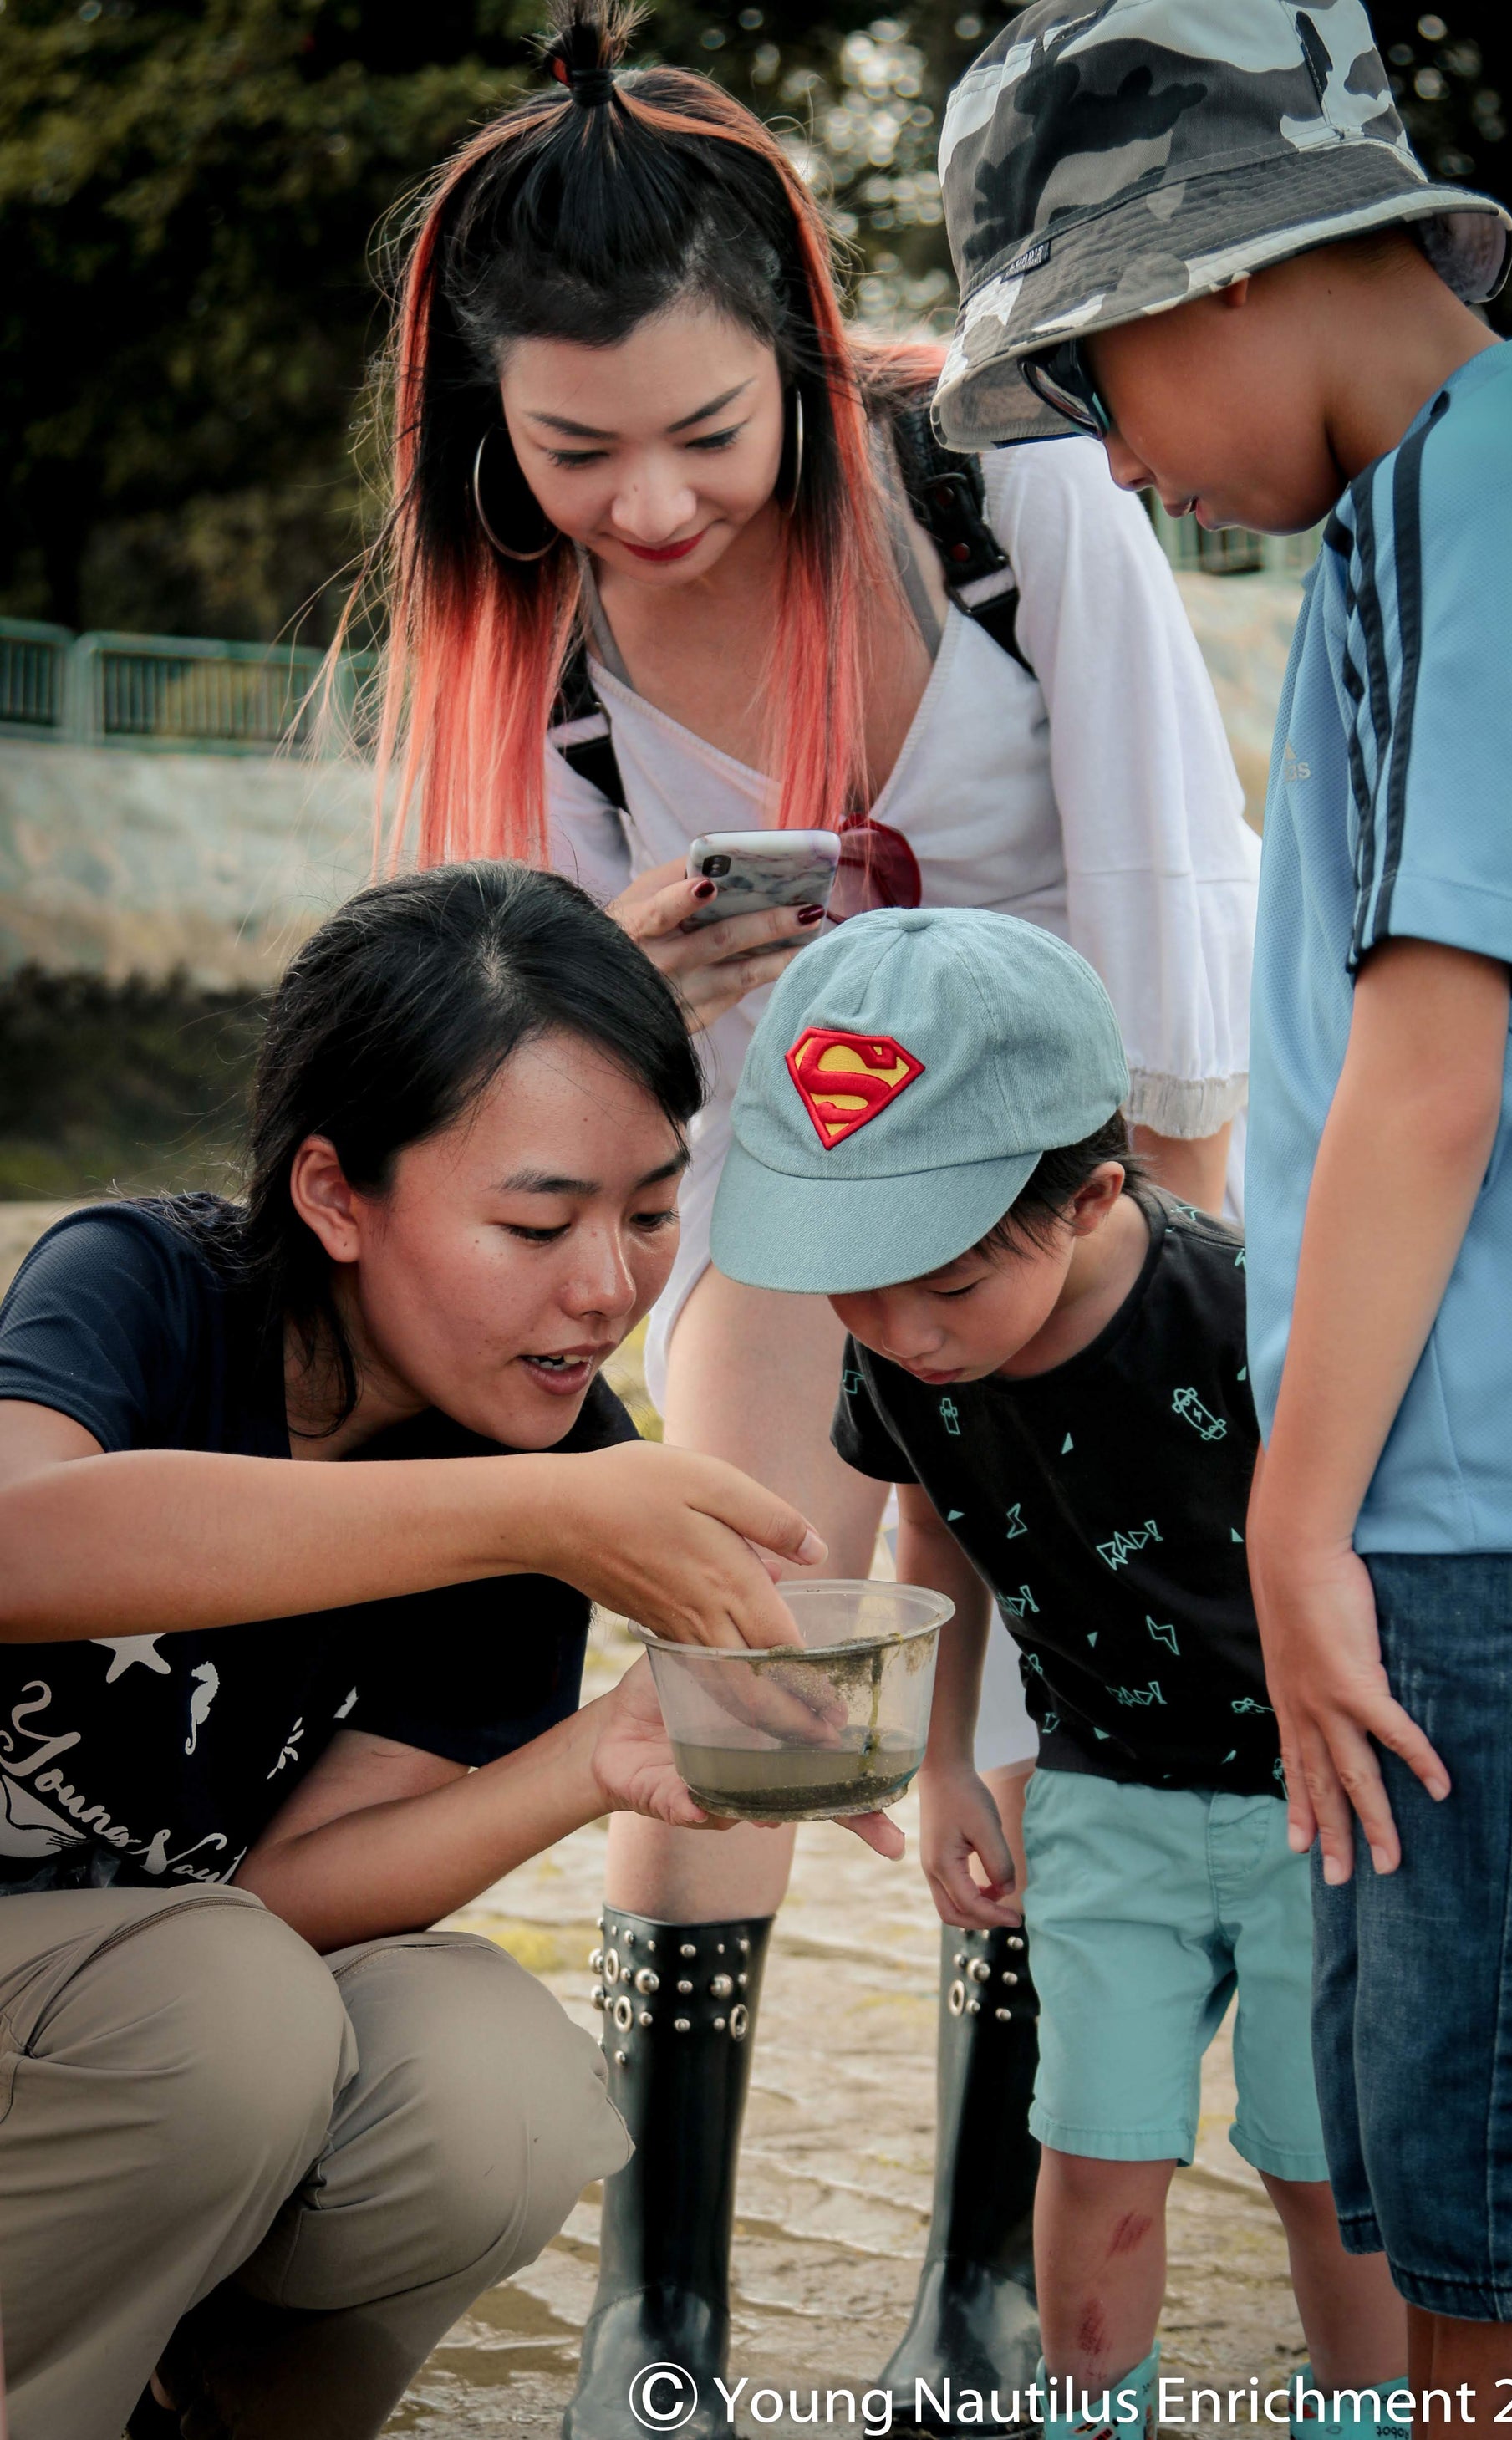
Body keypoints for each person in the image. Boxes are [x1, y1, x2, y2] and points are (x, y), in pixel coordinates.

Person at [354, 3, 1261, 2421]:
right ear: (491, 423)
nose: (647, 504)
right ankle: (661, 2310)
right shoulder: (528, 646)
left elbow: (1168, 853)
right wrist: (618, 981)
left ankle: (979, 2294)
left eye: (701, 435)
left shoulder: (994, 472)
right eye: (573, 450)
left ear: (794, 343)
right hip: (785, 1164)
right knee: (740, 1638)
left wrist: (1177, 1271)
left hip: (1077, 1174)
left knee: (1083, 1674)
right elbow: (515, 1039)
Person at [934, 0, 1512, 2425]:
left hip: (1476, 1514)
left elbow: (1431, 1080)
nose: (1114, 459)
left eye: (1096, 382)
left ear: (1216, 270)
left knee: (1501, 2232)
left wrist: (1290, 1520)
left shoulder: (1450, 497)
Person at [0, 860, 891, 2440]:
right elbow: (19, 1545)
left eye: (651, 1214)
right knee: (232, 2011)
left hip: (161, 2009)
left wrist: (594, 1759)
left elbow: (289, 1890)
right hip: (106, 2016)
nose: (608, 1287)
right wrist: (529, 1516)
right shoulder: (145, 1288)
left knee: (496, 2085)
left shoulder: (549, 1460)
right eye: (537, 1220)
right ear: (336, 1195)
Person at [710, 904, 1408, 2436]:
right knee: (1092, 2153)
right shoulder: (901, 1350)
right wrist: (944, 1755)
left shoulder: (1248, 1316)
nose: (901, 1335)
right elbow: (931, 1522)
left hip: (1322, 1809)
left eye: (946, 1290)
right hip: (1102, 1800)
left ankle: (1367, 2407)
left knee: (1318, 2163)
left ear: (1090, 1195)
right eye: (857, 1287)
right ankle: (1093, 2406)